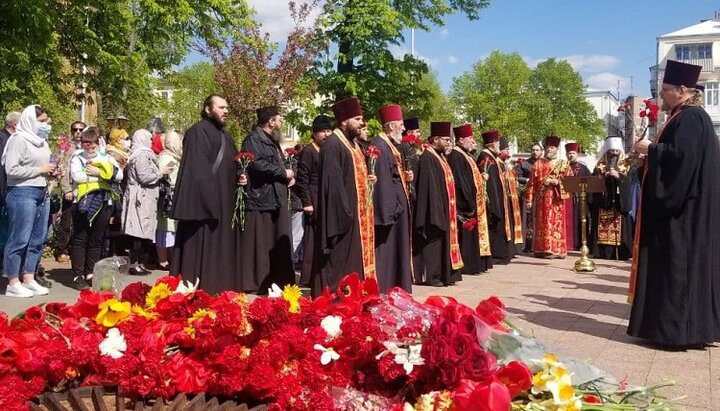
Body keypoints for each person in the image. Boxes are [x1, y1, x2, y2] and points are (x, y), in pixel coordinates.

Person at [628, 60, 720, 348]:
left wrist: (651, 149)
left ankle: (676, 331)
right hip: (686, 210)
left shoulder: (691, 118)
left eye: (665, 90)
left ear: (682, 90)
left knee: (679, 269)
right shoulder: (686, 117)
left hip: (683, 214)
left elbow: (682, 161)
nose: (661, 96)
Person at [312, 97, 376, 297]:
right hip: (343, 216)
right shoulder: (333, 144)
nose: (361, 123)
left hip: (357, 214)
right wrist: (346, 214)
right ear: (344, 121)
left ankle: (355, 294)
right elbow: (332, 185)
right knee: (339, 262)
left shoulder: (353, 144)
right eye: (357, 119)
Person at [239, 106, 295, 293]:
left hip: (275, 196)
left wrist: (287, 177)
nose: (280, 123)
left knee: (275, 240)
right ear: (271, 121)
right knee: (261, 243)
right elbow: (257, 165)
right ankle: (257, 283)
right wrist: (282, 172)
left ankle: (276, 281)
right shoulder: (253, 139)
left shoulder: (271, 140)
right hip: (261, 198)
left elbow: (274, 163)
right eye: (279, 120)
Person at [2, 105, 55, 297]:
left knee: (37, 239)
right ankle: (12, 281)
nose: (45, 125)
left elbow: (45, 165)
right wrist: (39, 170)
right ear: (30, 121)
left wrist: (53, 171)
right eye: (41, 122)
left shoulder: (42, 141)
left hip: (42, 192)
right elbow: (11, 170)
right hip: (22, 192)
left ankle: (29, 277)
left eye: (46, 121)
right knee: (19, 238)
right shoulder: (18, 140)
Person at [69, 126, 123, 290]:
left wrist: (98, 172)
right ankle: (78, 275)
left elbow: (119, 175)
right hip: (84, 202)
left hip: (104, 202)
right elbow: (77, 176)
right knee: (80, 238)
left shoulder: (107, 157)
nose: (90, 148)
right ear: (82, 144)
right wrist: (103, 175)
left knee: (97, 239)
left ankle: (91, 273)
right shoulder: (77, 157)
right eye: (86, 144)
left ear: (98, 143)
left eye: (92, 145)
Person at [412, 122, 463, 286]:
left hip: (443, 210)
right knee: (432, 245)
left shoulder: (439, 156)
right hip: (432, 212)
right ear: (436, 139)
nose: (449, 143)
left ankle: (443, 274)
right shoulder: (428, 158)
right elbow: (429, 189)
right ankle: (433, 277)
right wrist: (436, 213)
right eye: (446, 139)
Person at [370, 104, 413, 292]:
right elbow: (383, 182)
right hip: (391, 209)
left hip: (397, 206)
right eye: (400, 124)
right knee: (388, 250)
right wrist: (391, 210)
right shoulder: (378, 146)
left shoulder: (390, 146)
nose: (404, 129)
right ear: (390, 125)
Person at [122, 129, 171, 275]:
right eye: (149, 139)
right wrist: (160, 172)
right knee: (137, 231)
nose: (151, 142)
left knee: (142, 231)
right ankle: (135, 264)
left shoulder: (142, 154)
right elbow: (144, 177)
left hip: (145, 197)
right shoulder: (141, 156)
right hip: (140, 198)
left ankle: (140, 263)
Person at [447, 123, 492, 275]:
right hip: (465, 205)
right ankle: (468, 266)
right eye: (470, 138)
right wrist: (469, 202)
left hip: (474, 202)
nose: (473, 141)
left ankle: (475, 264)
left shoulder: (467, 155)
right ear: (460, 140)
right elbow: (460, 183)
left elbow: (471, 178)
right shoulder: (456, 156)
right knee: (466, 238)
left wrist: (481, 176)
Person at [296, 115, 332, 286]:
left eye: (329, 131)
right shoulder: (308, 151)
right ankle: (308, 276)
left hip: (324, 196)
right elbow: (302, 178)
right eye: (323, 131)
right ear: (315, 133)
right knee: (311, 237)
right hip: (312, 196)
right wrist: (307, 202)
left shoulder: (326, 150)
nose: (327, 134)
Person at [524, 136, 572, 259]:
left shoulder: (564, 164)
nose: (549, 150)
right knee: (542, 223)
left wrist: (558, 182)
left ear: (557, 148)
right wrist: (529, 199)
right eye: (547, 148)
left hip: (557, 199)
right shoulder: (538, 164)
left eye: (552, 148)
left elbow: (570, 181)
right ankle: (542, 249)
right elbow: (532, 184)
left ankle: (558, 249)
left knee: (556, 224)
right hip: (542, 200)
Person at [588, 137, 632, 260]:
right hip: (604, 202)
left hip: (619, 203)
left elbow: (629, 182)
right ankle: (602, 252)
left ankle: (620, 253)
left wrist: (619, 177)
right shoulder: (600, 165)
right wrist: (603, 176)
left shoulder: (626, 164)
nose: (614, 153)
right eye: (611, 151)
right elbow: (594, 181)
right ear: (607, 151)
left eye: (616, 151)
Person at [477, 130, 514, 264]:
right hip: (493, 201)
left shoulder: (492, 157)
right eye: (498, 142)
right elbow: (490, 184)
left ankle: (501, 255)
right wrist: (494, 204)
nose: (499, 145)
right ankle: (497, 256)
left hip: (499, 199)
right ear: (492, 143)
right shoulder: (485, 157)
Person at [55, 120, 86, 265]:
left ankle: (77, 250)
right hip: (71, 189)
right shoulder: (66, 147)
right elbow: (62, 169)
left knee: (82, 222)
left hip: (85, 190)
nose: (78, 132)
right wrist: (66, 188)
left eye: (81, 130)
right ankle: (62, 250)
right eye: (75, 130)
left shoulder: (89, 145)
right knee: (67, 222)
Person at [156, 130, 183, 270]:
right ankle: (163, 260)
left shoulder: (173, 157)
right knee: (165, 228)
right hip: (168, 197)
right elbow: (167, 176)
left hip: (173, 196)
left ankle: (170, 258)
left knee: (172, 228)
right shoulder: (168, 158)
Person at [0, 111, 20, 267]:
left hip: (7, 189)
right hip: (4, 189)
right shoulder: (4, 140)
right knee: (5, 230)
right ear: (15, 124)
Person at [564, 142, 591, 251]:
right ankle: (568, 243)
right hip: (566, 198)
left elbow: (589, 182)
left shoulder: (583, 168)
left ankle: (581, 242)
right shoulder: (563, 166)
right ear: (566, 154)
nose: (571, 155)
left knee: (580, 220)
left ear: (577, 154)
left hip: (580, 199)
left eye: (573, 153)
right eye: (569, 153)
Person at [498, 139, 524, 251]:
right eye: (506, 149)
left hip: (510, 197)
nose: (508, 151)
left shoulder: (504, 162)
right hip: (506, 197)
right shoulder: (498, 162)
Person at [519, 143, 542, 252]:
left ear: (541, 151)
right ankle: (527, 245)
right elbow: (518, 176)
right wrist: (527, 180)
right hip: (527, 194)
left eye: (537, 150)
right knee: (527, 220)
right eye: (533, 150)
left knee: (538, 219)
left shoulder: (544, 163)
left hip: (540, 196)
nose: (535, 152)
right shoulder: (524, 164)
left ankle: (537, 245)